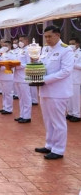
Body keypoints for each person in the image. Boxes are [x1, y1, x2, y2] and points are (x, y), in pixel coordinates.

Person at [35, 25, 74, 160]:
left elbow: (66, 71)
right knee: (48, 120)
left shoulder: (66, 50)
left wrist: (44, 80)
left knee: (58, 121)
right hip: (45, 90)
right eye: (45, 37)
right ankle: (49, 144)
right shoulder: (46, 49)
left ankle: (58, 149)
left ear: (58, 35)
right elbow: (41, 65)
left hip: (58, 92)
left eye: (50, 36)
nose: (47, 39)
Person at [13, 35, 33, 123]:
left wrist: (19, 66)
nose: (20, 42)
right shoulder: (20, 51)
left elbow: (30, 64)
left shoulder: (29, 50)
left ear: (26, 40)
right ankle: (22, 115)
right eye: (19, 40)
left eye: (21, 40)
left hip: (24, 77)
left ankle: (27, 116)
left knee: (26, 97)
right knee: (21, 97)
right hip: (17, 76)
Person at [0, 40, 15, 115]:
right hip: (2, 75)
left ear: (10, 46)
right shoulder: (3, 54)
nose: (5, 47)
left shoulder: (12, 54)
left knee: (8, 93)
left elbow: (13, 64)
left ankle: (9, 108)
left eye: (6, 45)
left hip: (8, 76)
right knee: (4, 93)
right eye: (4, 46)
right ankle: (5, 107)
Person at [66, 37, 81, 122]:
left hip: (76, 79)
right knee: (69, 97)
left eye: (73, 44)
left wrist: (73, 64)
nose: (71, 45)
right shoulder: (69, 53)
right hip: (68, 79)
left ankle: (77, 114)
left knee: (75, 98)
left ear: (77, 44)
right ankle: (70, 112)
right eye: (70, 44)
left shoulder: (80, 53)